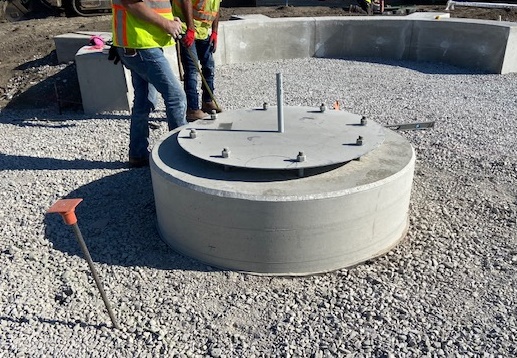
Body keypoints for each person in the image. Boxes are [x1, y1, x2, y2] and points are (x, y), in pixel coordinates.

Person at [109, 0, 187, 168]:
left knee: (143, 101)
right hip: (141, 45)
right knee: (176, 96)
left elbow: (152, 6)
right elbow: (132, 4)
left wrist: (171, 20)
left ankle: (138, 154)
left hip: (139, 44)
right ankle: (181, 156)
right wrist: (167, 24)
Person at [172, 0, 222, 122]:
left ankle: (208, 101)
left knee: (209, 67)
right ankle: (192, 109)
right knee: (192, 70)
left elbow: (216, 9)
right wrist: (190, 29)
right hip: (187, 29)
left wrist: (214, 32)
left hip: (203, 31)